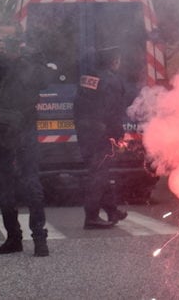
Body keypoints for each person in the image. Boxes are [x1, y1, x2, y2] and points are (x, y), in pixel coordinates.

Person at [0, 27, 51, 257]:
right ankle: (13, 237)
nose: (8, 45)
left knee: (30, 183)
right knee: (4, 186)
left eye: (11, 41)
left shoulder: (30, 59)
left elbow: (45, 80)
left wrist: (26, 58)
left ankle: (39, 239)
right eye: (3, 40)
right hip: (0, 131)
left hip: (24, 128)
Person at [73, 46, 131, 229]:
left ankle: (112, 210)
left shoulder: (87, 78)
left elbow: (79, 105)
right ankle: (91, 217)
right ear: (114, 61)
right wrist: (118, 133)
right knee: (98, 176)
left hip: (86, 133)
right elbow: (113, 110)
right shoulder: (112, 81)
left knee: (99, 172)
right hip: (101, 134)